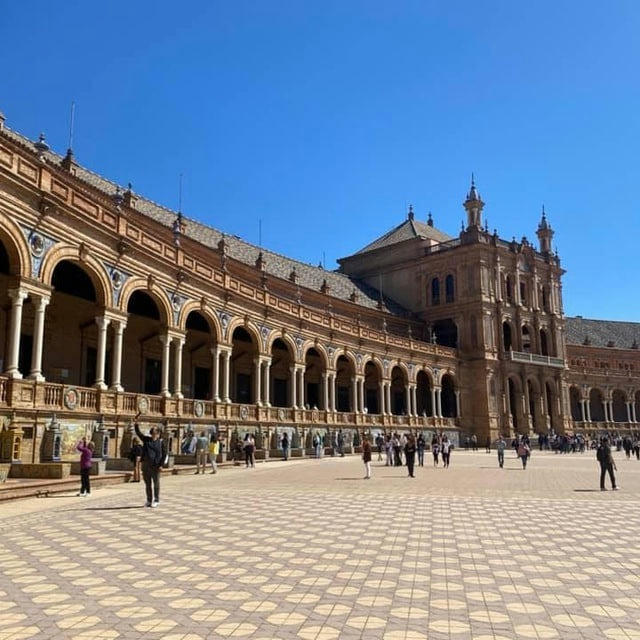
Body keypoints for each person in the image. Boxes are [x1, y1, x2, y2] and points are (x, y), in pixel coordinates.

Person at [134, 420, 166, 507]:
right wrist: (136, 424)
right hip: (146, 465)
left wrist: (161, 465)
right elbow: (139, 433)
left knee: (156, 484)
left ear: (158, 434)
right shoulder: (147, 440)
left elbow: (164, 454)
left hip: (156, 466)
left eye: (155, 433)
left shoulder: (161, 442)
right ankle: (149, 500)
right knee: (147, 484)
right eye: (152, 433)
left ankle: (156, 500)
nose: (153, 435)